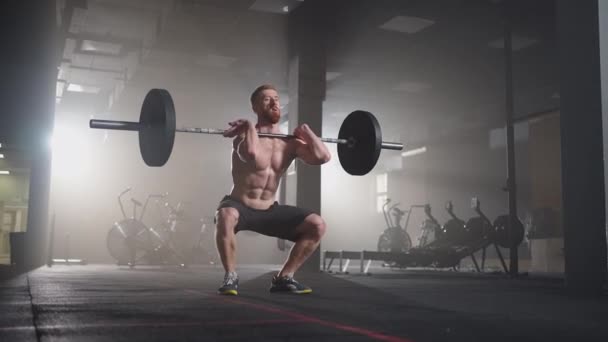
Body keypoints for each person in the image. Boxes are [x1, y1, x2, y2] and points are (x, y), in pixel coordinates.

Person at [214, 84, 331, 295]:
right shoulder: (243, 136)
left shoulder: (289, 144)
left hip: (269, 210)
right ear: (255, 106)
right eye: (268, 99)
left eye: (277, 99)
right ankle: (231, 276)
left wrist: (306, 131)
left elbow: (323, 157)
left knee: (317, 225)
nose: (275, 102)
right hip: (240, 206)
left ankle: (285, 277)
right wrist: (249, 126)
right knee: (226, 215)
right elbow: (250, 154)